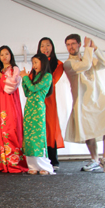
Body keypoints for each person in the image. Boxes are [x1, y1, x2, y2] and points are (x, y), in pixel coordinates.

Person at [63, 34, 105, 171]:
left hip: (98, 98)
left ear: (79, 44)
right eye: (68, 44)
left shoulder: (89, 57)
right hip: (82, 102)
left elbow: (103, 62)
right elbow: (85, 65)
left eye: (73, 44)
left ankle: (103, 159)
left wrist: (95, 48)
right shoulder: (68, 64)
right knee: (88, 132)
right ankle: (95, 159)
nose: (71, 47)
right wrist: (88, 48)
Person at [0, 46, 28, 173]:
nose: (4, 57)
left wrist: (0, 75)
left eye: (6, 54)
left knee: (10, 129)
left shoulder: (14, 69)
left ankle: (14, 163)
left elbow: (12, 86)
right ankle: (1, 163)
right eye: (1, 55)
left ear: (11, 55)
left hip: (9, 103)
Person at [20, 53, 54, 175]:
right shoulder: (34, 76)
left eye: (36, 62)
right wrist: (25, 79)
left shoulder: (48, 76)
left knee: (38, 136)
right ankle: (32, 166)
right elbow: (27, 92)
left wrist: (25, 78)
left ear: (43, 63)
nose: (34, 65)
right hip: (29, 107)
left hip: (38, 109)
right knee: (29, 136)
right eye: (33, 63)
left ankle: (44, 166)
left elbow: (34, 89)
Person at [37, 37, 65, 171]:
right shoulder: (36, 63)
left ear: (52, 47)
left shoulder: (58, 64)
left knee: (50, 127)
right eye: (42, 46)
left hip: (49, 98)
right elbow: (31, 79)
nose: (45, 48)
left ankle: (53, 160)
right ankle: (40, 159)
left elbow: (52, 81)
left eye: (48, 45)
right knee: (39, 126)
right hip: (37, 99)